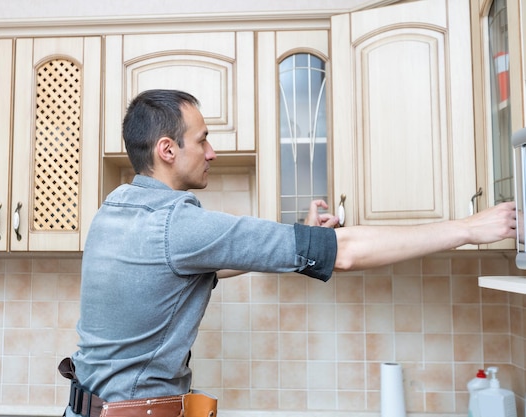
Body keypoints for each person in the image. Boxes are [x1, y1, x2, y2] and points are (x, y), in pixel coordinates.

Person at [62, 89, 516, 417]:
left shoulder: (114, 212)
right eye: (201, 140)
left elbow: (197, 264)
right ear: (167, 149)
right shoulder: (176, 225)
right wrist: (467, 228)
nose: (211, 152)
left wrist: (297, 236)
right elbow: (347, 252)